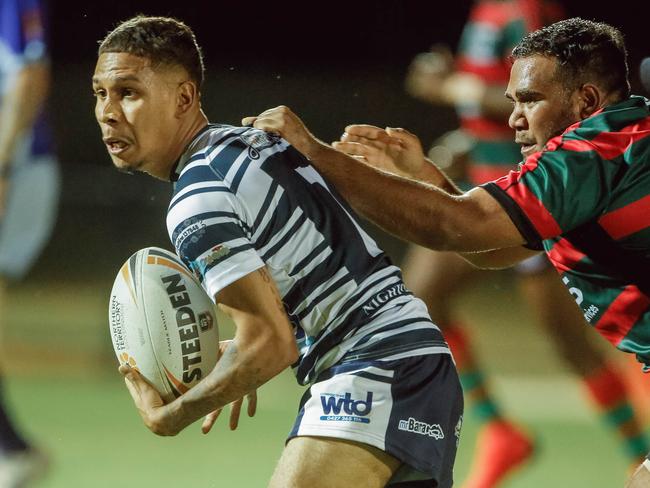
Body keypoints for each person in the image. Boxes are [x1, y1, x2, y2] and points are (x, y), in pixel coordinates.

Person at [244, 18, 650, 486]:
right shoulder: (618, 143)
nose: (515, 118)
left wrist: (314, 153)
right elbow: (491, 249)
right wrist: (425, 180)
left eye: (531, 100)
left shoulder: (589, 156)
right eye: (512, 102)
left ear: (587, 100)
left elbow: (457, 226)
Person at [94, 15, 463, 487]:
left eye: (128, 92)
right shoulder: (250, 142)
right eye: (99, 93)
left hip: (373, 367)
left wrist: (171, 416)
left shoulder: (195, 200)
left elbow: (270, 345)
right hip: (418, 362)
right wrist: (243, 359)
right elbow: (302, 291)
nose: (108, 111)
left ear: (184, 97)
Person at [402, 2, 649, 484]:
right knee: (422, 298)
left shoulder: (525, 12)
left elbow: (549, 92)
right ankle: (498, 428)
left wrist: (451, 87)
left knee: (571, 341)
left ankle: (635, 449)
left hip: (542, 196)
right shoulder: (488, 11)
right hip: (504, 195)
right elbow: (520, 101)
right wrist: (467, 140)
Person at [0, 0, 59, 486]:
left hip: (17, 167)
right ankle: (10, 445)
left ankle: (10, 446)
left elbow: (30, 73)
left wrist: (1, 164)